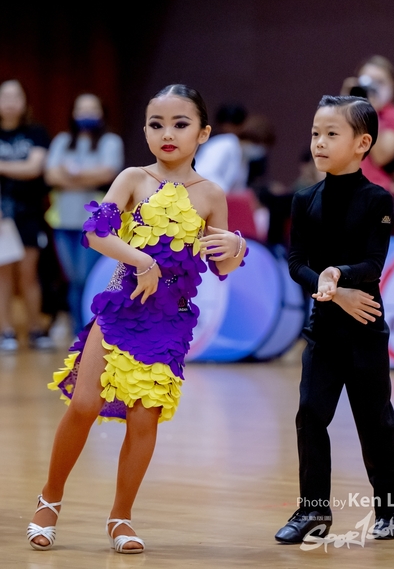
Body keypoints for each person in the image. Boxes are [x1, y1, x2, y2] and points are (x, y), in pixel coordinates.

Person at [27, 84, 247, 554]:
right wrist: (142, 260)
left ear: (203, 133)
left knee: (144, 420)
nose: (168, 133)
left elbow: (223, 266)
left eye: (181, 124)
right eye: (156, 124)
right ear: (145, 131)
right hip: (121, 305)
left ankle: (121, 517)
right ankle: (50, 498)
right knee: (84, 404)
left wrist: (236, 245)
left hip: (168, 321)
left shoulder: (212, 195)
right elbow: (95, 233)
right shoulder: (133, 178)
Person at [275, 95, 394, 545]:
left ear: (362, 143)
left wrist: (339, 275)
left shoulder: (377, 199)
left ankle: (391, 508)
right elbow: (296, 263)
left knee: (374, 420)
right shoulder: (304, 199)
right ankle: (313, 511)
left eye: (332, 134)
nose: (319, 142)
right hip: (324, 328)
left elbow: (373, 263)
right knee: (310, 414)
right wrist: (332, 290)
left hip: (365, 327)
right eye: (316, 133)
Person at [44, 93, 124, 336]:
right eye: (81, 110)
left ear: (102, 113)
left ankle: (96, 328)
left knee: (86, 276)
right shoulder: (62, 141)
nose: (86, 115)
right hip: (63, 221)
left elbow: (107, 173)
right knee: (72, 279)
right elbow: (51, 176)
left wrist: (70, 175)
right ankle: (78, 330)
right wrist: (86, 177)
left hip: (95, 223)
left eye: (92, 109)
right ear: (72, 113)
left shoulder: (110, 141)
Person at [0, 79, 53, 351]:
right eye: (5, 96)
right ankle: (6, 331)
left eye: (16, 96)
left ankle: (36, 329)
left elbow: (34, 168)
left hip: (29, 213)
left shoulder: (36, 132)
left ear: (24, 102)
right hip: (1, 216)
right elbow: (24, 167)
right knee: (3, 275)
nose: (10, 102)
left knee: (28, 273)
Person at [341, 55, 394, 191]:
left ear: (392, 86)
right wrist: (342, 105)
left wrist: (369, 111)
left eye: (380, 82)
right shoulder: (350, 112)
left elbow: (381, 156)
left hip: (377, 192)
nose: (372, 88)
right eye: (367, 82)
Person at [195, 102, 248, 191]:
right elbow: (204, 173)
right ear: (243, 125)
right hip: (210, 194)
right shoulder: (228, 141)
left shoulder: (212, 142)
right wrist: (222, 194)